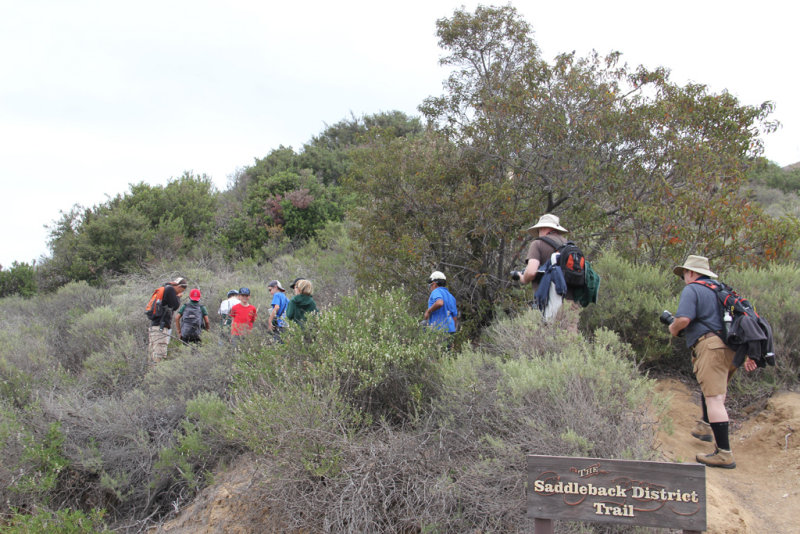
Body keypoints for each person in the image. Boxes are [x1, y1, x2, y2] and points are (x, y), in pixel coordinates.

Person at [668, 255, 757, 469]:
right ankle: (705, 427)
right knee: (717, 392)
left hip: (711, 346)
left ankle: (724, 454)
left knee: (714, 398)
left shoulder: (693, 289)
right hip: (732, 349)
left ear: (690, 273)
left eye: (684, 275)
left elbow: (684, 319)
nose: (684, 279)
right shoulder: (722, 290)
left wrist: (673, 328)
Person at [518, 213, 579, 330]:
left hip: (549, 301)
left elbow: (531, 272)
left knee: (545, 339)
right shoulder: (570, 245)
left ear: (542, 228)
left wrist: (522, 277)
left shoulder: (538, 244)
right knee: (569, 340)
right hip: (571, 302)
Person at [148, 277, 188, 365]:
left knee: (152, 353)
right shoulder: (170, 290)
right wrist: (177, 297)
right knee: (159, 354)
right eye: (181, 290)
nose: (180, 293)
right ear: (179, 287)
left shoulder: (165, 288)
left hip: (155, 326)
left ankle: (151, 375)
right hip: (160, 328)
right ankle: (156, 375)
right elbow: (175, 305)